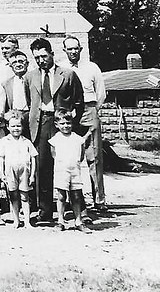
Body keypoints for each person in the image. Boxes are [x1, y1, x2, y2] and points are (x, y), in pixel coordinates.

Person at [24, 37, 84, 223]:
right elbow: (30, 102)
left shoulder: (67, 74)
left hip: (61, 124)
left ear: (52, 54)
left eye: (44, 56)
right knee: (42, 168)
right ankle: (45, 212)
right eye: (37, 57)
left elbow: (78, 101)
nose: (41, 60)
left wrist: (70, 121)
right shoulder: (30, 76)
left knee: (67, 165)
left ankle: (78, 211)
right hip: (41, 123)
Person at [62, 35, 107, 213]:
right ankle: (70, 200)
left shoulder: (91, 67)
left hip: (89, 110)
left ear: (81, 49)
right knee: (69, 157)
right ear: (64, 50)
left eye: (76, 48)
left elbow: (101, 93)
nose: (73, 51)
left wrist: (93, 110)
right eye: (70, 48)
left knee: (94, 157)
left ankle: (99, 199)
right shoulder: (62, 68)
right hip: (69, 113)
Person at [49, 110, 92, 232]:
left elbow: (81, 155)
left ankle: (78, 221)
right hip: (61, 171)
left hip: (75, 171)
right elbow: (54, 154)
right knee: (61, 196)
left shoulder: (78, 139)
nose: (65, 126)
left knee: (76, 196)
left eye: (68, 123)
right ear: (57, 125)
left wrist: (74, 163)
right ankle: (60, 221)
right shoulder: (55, 139)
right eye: (62, 123)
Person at [1, 112, 38, 227]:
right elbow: (1, 158)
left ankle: (27, 221)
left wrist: (32, 175)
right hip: (10, 172)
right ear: (7, 127)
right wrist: (2, 173)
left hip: (24, 172)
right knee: (13, 196)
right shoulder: (4, 141)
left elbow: (33, 158)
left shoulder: (26, 142)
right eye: (13, 126)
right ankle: (16, 220)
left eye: (18, 126)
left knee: (24, 196)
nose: (16, 129)